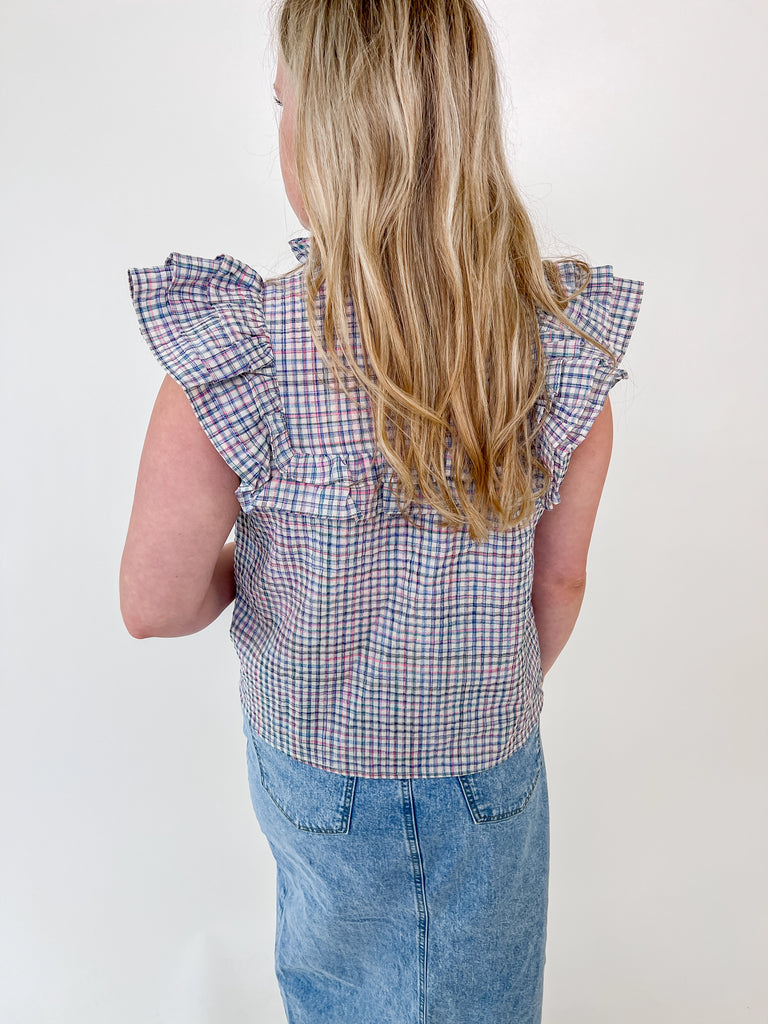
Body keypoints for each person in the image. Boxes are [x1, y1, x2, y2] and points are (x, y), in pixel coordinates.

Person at [121, 1, 643, 1020]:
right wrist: (476, 697)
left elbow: (154, 602)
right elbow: (561, 579)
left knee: (335, 991)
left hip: (314, 765)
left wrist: (261, 564)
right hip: (489, 764)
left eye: (283, 104)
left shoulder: (243, 350)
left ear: (326, 135)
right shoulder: (557, 348)